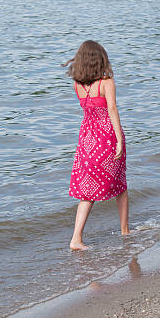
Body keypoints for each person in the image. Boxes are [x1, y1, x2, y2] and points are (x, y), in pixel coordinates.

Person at [64, 40, 129, 250]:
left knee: (87, 190)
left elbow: (89, 111)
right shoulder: (106, 82)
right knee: (120, 184)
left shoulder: (78, 85)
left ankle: (76, 237)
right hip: (106, 136)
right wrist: (119, 138)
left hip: (86, 138)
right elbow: (112, 110)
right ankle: (125, 230)